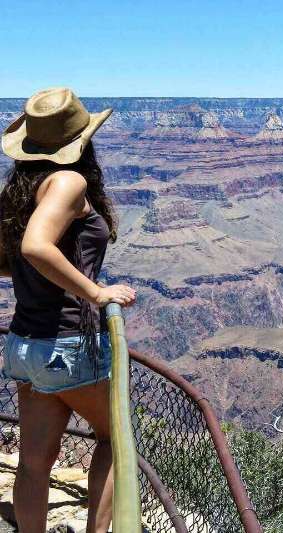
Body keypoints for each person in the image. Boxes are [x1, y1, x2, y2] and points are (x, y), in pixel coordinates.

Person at [0, 87, 136, 533]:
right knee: (114, 440)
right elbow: (35, 247)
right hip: (68, 343)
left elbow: (15, 256)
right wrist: (97, 293)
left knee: (34, 464)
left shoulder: (25, 187)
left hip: (24, 344)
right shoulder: (68, 181)